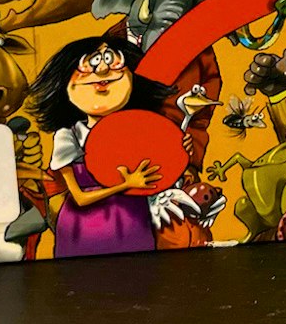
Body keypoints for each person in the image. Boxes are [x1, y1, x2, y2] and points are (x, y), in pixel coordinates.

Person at [29, 35, 185, 258]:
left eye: (113, 61)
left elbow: (160, 170)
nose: (102, 70)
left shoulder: (138, 128)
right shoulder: (68, 135)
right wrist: (126, 184)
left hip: (134, 221)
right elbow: (80, 198)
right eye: (90, 63)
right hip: (84, 229)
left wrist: (178, 148)